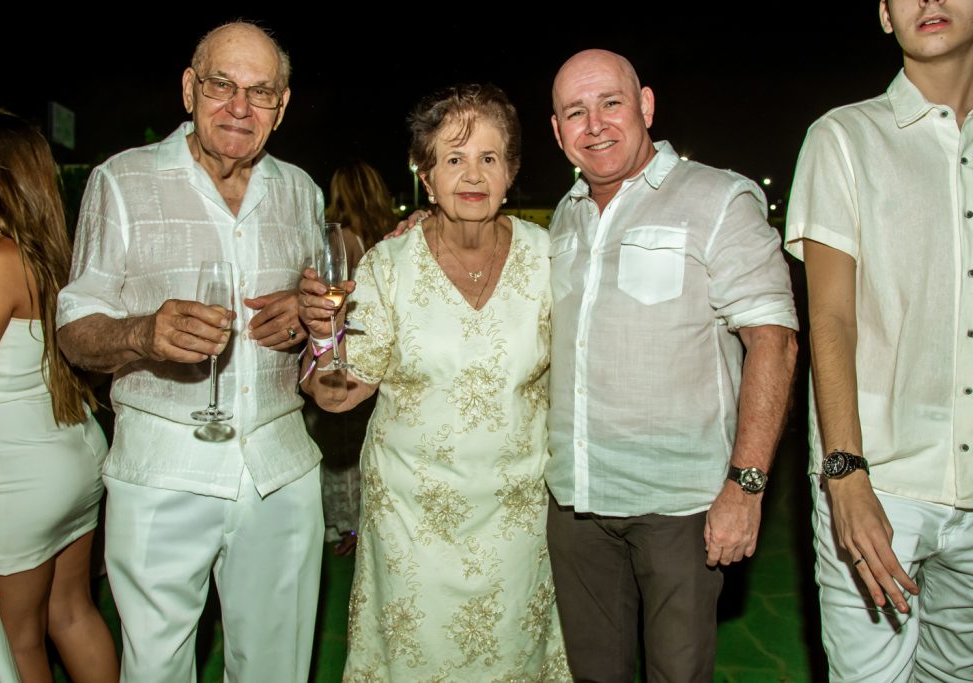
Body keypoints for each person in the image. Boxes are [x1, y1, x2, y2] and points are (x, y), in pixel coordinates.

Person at [56, 22, 324, 682]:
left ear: (282, 107)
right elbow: (75, 327)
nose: (239, 106)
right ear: (188, 88)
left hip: (279, 467)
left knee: (276, 667)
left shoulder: (301, 192)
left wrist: (305, 316)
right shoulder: (122, 181)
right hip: (161, 467)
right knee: (155, 669)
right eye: (221, 85)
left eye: (260, 92)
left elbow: (322, 319)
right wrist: (141, 333)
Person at [300, 84, 570, 681]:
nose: (472, 175)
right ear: (426, 176)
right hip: (411, 527)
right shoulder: (387, 266)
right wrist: (324, 339)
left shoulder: (549, 258)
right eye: (453, 159)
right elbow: (339, 394)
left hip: (517, 524)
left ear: (512, 172)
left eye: (489, 158)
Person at [544, 49, 798, 682]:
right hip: (577, 502)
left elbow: (775, 342)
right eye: (575, 112)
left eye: (611, 103)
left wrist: (746, 486)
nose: (595, 124)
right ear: (557, 131)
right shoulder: (562, 219)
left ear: (646, 106)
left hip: (680, 509)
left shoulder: (717, 199)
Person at [786, 1, 973, 680]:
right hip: (879, 482)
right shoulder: (844, 138)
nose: (930, 2)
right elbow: (829, 318)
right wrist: (844, 473)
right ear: (885, 16)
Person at [0, 112, 118, 683]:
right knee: (71, 614)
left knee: (17, 638)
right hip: (72, 458)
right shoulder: (51, 254)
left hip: (14, 477)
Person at [304, 159, 394, 555]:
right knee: (357, 448)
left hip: (341, 354)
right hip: (368, 364)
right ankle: (357, 527)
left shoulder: (344, 241)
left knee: (336, 448)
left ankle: (341, 527)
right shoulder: (387, 241)